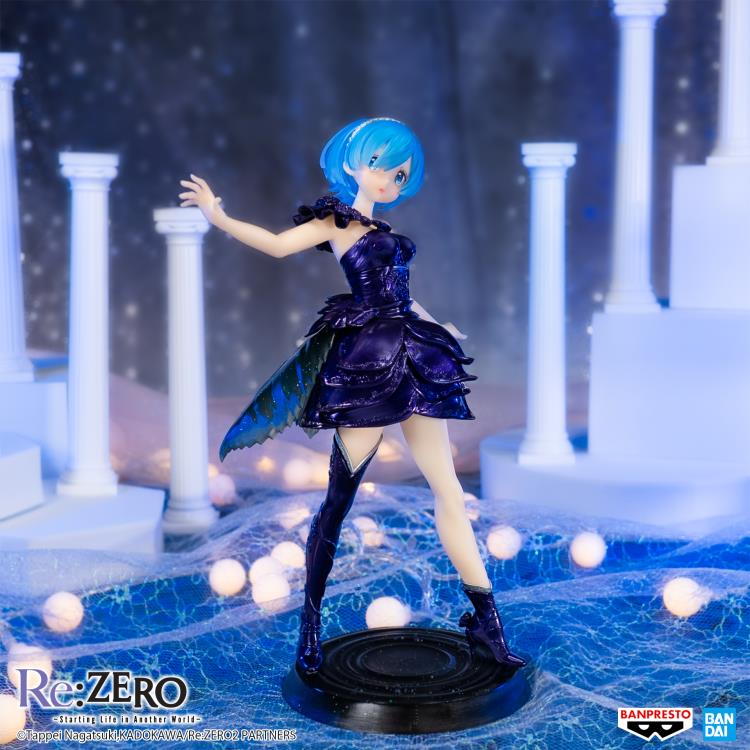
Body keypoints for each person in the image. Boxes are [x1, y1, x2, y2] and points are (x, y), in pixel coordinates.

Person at [178, 117, 525, 675]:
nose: (390, 179)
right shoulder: (334, 221)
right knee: (339, 501)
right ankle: (310, 627)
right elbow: (276, 245)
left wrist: (437, 326)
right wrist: (219, 217)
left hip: (412, 356)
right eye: (382, 165)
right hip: (368, 366)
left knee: (450, 492)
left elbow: (402, 296)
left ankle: (487, 624)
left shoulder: (382, 226)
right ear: (354, 161)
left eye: (401, 174)